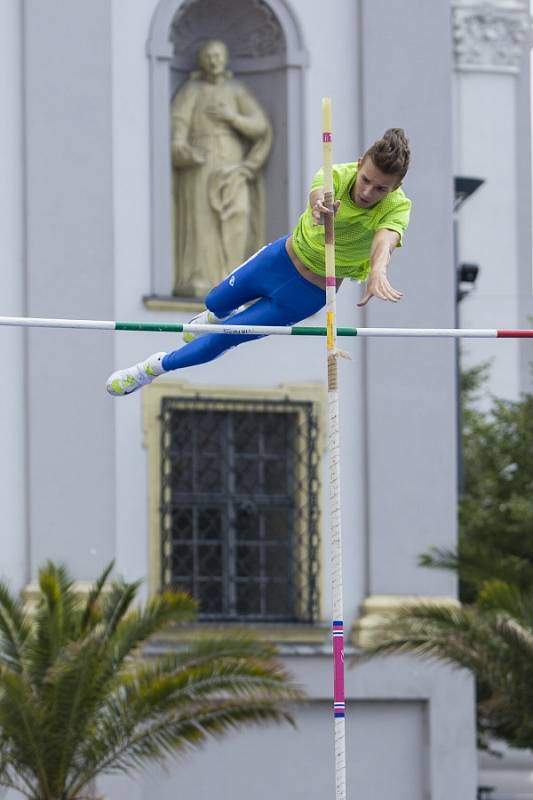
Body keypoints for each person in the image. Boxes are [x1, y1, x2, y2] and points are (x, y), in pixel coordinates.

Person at [106, 128, 411, 396]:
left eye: (381, 188)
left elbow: (385, 240)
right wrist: (319, 206)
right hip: (277, 261)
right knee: (215, 301)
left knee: (223, 339)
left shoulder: (398, 208)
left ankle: (150, 369)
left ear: (395, 188)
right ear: (359, 165)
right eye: (367, 180)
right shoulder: (336, 175)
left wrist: (379, 270)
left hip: (305, 295)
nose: (369, 192)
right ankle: (215, 314)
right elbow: (317, 195)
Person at [171, 39, 272, 297]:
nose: (214, 60)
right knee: (202, 220)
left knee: (238, 215)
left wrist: (233, 118)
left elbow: (260, 126)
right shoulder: (192, 90)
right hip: (201, 164)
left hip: (232, 166)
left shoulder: (236, 90)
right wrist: (181, 144)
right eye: (209, 56)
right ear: (202, 60)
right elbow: (179, 122)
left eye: (218, 55)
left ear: (225, 58)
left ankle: (233, 279)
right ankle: (203, 279)